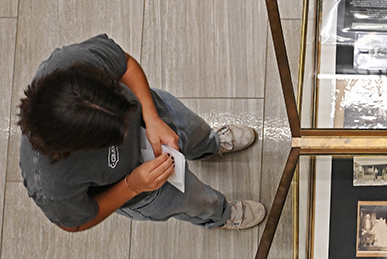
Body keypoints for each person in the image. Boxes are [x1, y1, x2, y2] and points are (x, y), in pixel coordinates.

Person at [18, 34, 265, 231]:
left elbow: (124, 63)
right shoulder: (50, 185)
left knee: (194, 130)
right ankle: (222, 215)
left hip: (157, 115)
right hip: (143, 188)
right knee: (197, 200)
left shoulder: (71, 61)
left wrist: (151, 116)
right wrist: (132, 186)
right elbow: (77, 222)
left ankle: (210, 145)